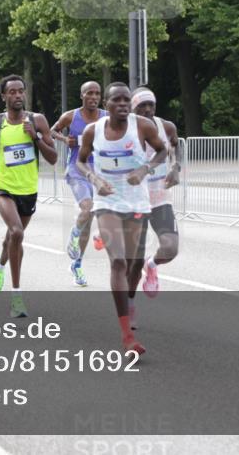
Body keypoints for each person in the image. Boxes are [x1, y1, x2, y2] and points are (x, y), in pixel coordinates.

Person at [76, 82, 167, 355]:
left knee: (133, 264)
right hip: (107, 201)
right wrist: (94, 178)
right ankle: (127, 336)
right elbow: (80, 161)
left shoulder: (142, 126)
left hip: (136, 203)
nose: (124, 105)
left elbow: (162, 151)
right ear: (107, 103)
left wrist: (145, 169)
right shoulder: (94, 131)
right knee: (117, 262)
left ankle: (129, 300)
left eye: (127, 100)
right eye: (117, 100)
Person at [0, 75, 57, 317]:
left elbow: (53, 158)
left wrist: (36, 136)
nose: (16, 96)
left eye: (20, 91)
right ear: (3, 96)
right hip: (4, 187)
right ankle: (16, 296)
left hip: (29, 190)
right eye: (11, 92)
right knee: (16, 232)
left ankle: (0, 264)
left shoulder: (37, 120)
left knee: (11, 239)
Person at [127, 87, 181, 326]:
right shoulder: (123, 130)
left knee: (170, 248)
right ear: (132, 109)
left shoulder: (166, 127)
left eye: (151, 105)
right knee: (133, 261)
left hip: (160, 199)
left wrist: (175, 167)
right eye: (141, 107)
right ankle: (129, 305)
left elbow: (176, 147)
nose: (148, 110)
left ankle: (153, 265)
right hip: (134, 201)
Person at [52, 81, 106, 286]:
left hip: (100, 170)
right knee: (87, 208)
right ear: (82, 96)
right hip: (77, 169)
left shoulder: (106, 117)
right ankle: (74, 235)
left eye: (97, 94)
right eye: (89, 93)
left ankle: (77, 264)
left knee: (91, 218)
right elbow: (51, 131)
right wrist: (65, 140)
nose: (93, 97)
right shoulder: (71, 116)